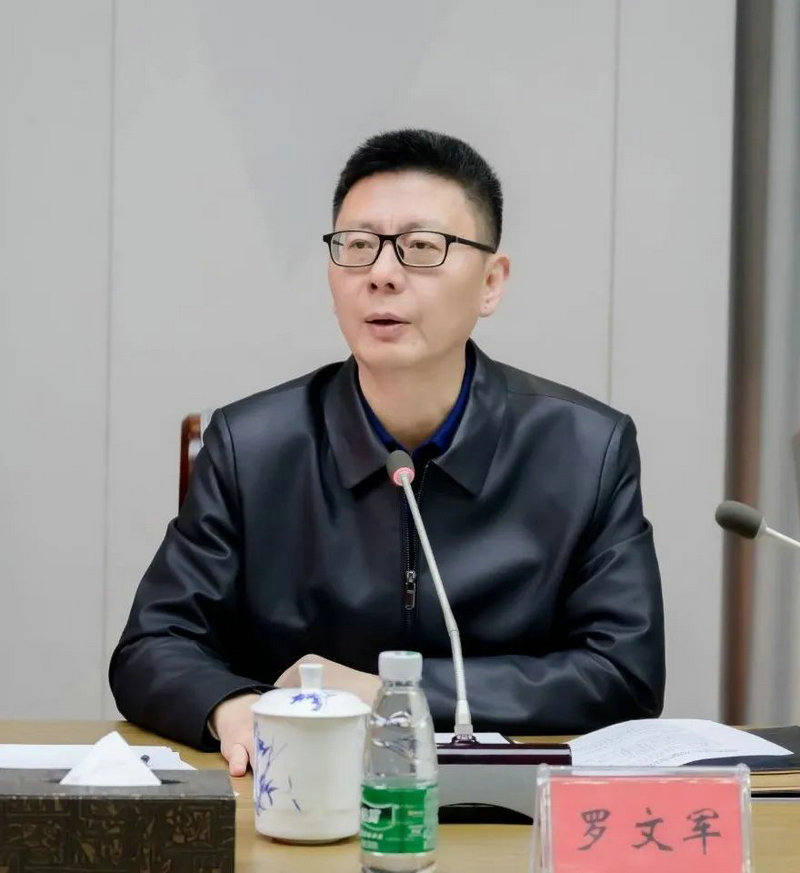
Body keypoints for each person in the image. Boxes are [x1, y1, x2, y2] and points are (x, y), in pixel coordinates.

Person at [110, 129, 665, 776]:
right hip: (296, 795)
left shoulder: (584, 450)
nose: (381, 274)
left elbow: (623, 672)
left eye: (422, 248)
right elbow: (152, 645)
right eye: (358, 246)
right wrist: (229, 707)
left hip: (504, 807)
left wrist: (393, 694)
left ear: (491, 282)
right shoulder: (251, 447)